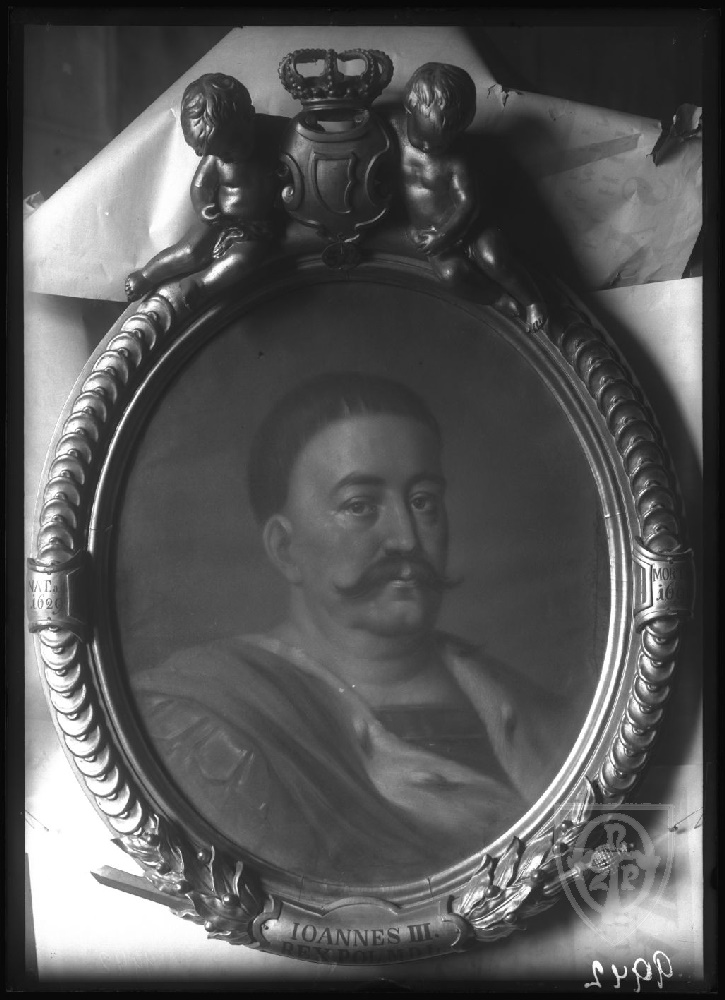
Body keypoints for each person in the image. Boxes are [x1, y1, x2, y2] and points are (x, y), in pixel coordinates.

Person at [132, 373, 570, 884]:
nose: (407, 539)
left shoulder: (536, 714)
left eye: (424, 501)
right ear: (284, 548)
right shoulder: (206, 715)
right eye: (360, 506)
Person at [394, 63, 547, 333]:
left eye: (444, 142)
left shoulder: (456, 159)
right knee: (451, 276)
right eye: (425, 140)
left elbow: (469, 204)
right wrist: (435, 240)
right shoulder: (393, 131)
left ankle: (533, 300)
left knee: (495, 258)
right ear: (410, 105)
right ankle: (496, 298)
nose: (431, 149)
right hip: (430, 235)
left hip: (469, 228)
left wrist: (444, 235)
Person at [125, 73, 280, 309]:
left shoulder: (275, 135)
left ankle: (202, 284)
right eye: (219, 154)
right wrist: (203, 207)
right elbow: (201, 185)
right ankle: (148, 274)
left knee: (242, 260)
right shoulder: (217, 155)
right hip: (218, 218)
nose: (226, 157)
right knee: (189, 250)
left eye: (233, 147)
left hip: (256, 228)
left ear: (249, 117)